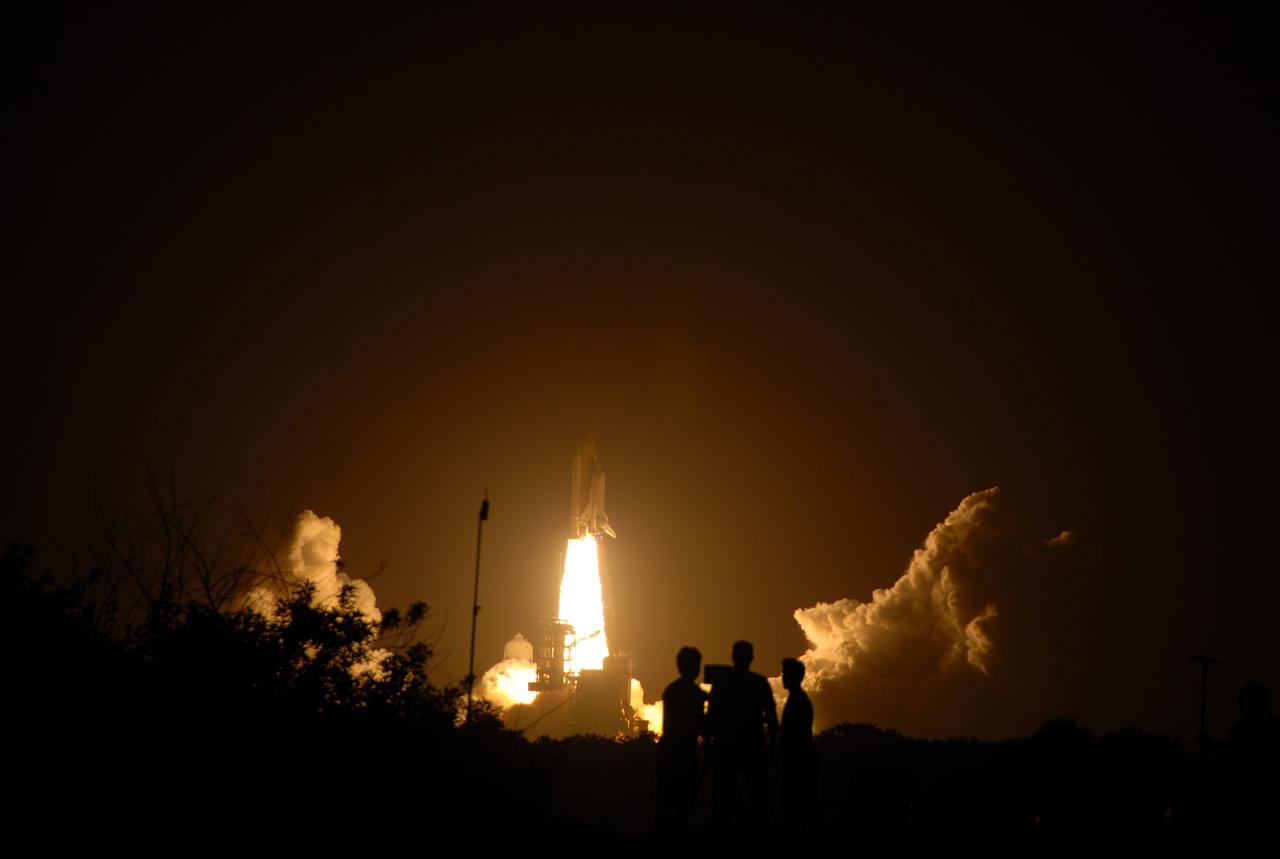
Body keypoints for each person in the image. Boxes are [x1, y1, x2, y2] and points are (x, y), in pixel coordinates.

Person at [707, 640, 777, 826]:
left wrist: (708, 746)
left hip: (727, 747)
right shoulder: (759, 683)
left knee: (722, 797)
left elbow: (711, 716)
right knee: (757, 797)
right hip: (753, 746)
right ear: (751, 658)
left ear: (733, 657)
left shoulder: (722, 684)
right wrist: (771, 746)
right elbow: (772, 718)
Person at [657, 646, 708, 827]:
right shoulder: (694, 694)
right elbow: (700, 724)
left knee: (666, 801)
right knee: (682, 803)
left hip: (669, 750)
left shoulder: (672, 690)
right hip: (682, 753)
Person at [778, 657, 817, 828]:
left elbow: (792, 732)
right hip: (799, 759)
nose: (782, 677)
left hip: (798, 761)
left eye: (785, 674)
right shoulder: (798, 699)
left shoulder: (798, 701)